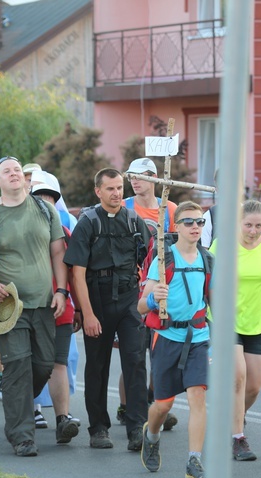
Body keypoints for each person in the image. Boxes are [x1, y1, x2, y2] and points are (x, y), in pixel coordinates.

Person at [0, 156, 67, 457]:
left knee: (42, 365)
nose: (13, 175)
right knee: (17, 367)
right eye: (6, 172)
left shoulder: (45, 209)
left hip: (42, 303)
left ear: (26, 179)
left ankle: (17, 404)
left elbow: (58, 253)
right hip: (8, 306)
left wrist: (62, 290)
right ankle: (22, 436)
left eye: (17, 171)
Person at [64, 168, 151, 451]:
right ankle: (98, 428)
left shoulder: (134, 219)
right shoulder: (87, 223)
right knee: (98, 365)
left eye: (119, 188)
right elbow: (77, 274)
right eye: (110, 189)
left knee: (136, 362)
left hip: (128, 299)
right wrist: (87, 314)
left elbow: (148, 259)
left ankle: (138, 428)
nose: (116, 193)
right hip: (97, 300)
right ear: (98, 191)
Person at [138, 201, 212, 478]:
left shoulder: (207, 260)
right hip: (167, 337)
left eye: (200, 222)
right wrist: (154, 297)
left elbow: (213, 302)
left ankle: (194, 460)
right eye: (189, 222)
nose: (195, 227)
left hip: (198, 337)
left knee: (198, 397)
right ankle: (152, 435)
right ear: (176, 226)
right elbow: (141, 308)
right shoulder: (163, 260)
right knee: (163, 405)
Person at [209, 200, 261, 460]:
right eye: (248, 225)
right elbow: (208, 278)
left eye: (258, 226)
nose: (253, 231)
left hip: (256, 321)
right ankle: (238, 438)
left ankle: (231, 419)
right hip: (225, 320)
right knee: (238, 376)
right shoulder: (223, 245)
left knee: (254, 386)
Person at [116, 157, 178, 432]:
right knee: (133, 353)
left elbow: (179, 250)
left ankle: (153, 404)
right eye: (131, 176)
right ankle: (126, 405)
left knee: (161, 352)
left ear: (156, 177)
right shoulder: (124, 207)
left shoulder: (171, 209)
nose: (134, 180)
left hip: (161, 291)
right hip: (131, 290)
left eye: (140, 175)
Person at [30, 180, 80, 444]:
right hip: (27, 309)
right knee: (34, 365)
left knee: (58, 363)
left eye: (50, 198)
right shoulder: (21, 233)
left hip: (61, 308)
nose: (44, 202)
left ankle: (63, 419)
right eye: (39, 198)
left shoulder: (64, 233)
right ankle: (25, 411)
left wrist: (81, 308)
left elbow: (74, 274)